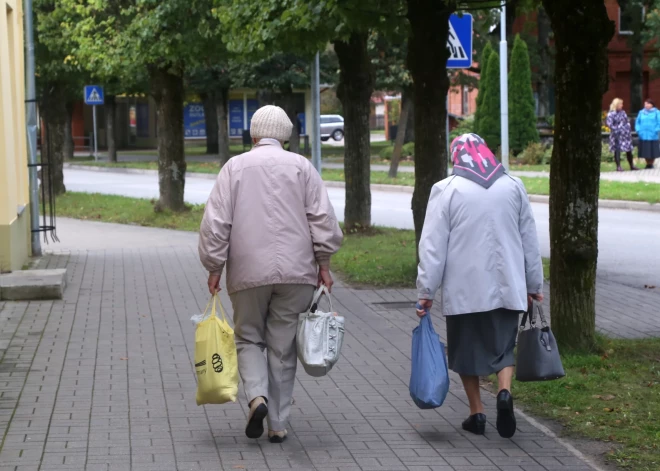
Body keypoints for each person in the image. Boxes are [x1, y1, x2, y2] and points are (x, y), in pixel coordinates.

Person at [199, 105, 343, 443]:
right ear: (285, 137)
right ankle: (277, 424)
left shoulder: (234, 168)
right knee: (282, 347)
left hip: (247, 272)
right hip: (297, 274)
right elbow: (322, 220)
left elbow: (215, 225)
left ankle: (256, 398)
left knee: (248, 337)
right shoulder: (303, 168)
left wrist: (214, 266)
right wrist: (324, 264)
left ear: (253, 135)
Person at [416, 133, 543, 439]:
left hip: (465, 289)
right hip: (507, 285)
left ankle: (477, 413)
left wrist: (426, 291)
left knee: (465, 351)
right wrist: (534, 283)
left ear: (457, 156)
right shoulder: (513, 187)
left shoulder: (446, 190)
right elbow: (529, 240)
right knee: (503, 347)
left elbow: (433, 247)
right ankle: (503, 392)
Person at [606, 98, 638, 172]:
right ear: (616, 105)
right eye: (621, 104)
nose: (622, 105)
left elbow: (626, 121)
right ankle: (618, 166)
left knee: (629, 149)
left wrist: (627, 128)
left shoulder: (623, 112)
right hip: (616, 135)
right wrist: (617, 129)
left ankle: (632, 165)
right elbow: (610, 124)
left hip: (625, 135)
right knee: (617, 150)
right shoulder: (611, 114)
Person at [635, 99, 660, 169]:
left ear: (652, 105)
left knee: (652, 150)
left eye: (648, 104)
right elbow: (638, 122)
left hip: (653, 135)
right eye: (645, 104)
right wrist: (638, 130)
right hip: (643, 135)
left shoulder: (657, 112)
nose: (646, 105)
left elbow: (659, 123)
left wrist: (656, 130)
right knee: (645, 150)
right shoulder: (641, 112)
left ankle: (651, 163)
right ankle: (647, 163)